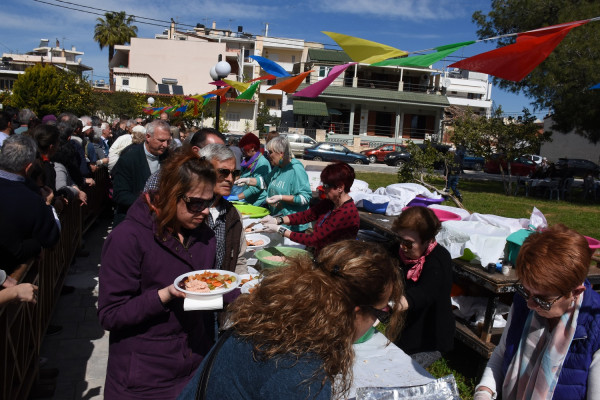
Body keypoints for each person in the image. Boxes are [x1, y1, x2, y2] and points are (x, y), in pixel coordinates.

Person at [178, 239, 404, 400]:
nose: (375, 323)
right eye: (380, 313)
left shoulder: (267, 321)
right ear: (354, 312)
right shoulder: (301, 373)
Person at [98, 149, 218, 399]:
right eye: (196, 202)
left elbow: (211, 291)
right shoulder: (127, 238)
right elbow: (111, 314)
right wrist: (165, 294)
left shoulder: (204, 236)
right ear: (171, 194)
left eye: (209, 202)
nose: (205, 211)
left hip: (194, 364)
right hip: (143, 377)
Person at [475, 224, 599, 400]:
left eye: (543, 299)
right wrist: (484, 391)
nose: (530, 304)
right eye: (526, 291)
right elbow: (502, 353)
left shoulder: (595, 328)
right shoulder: (522, 302)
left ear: (575, 293)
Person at [391, 206, 454, 367]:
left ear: (427, 240)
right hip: (407, 328)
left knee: (405, 372)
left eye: (408, 244)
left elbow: (427, 292)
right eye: (400, 240)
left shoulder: (439, 259)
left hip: (430, 336)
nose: (402, 247)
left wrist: (399, 303)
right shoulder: (402, 252)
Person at [260, 162, 360, 255]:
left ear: (340, 187)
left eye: (326, 185)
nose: (323, 189)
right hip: (322, 255)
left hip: (334, 261)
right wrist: (277, 220)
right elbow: (306, 215)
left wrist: (279, 230)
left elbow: (314, 239)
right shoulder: (330, 202)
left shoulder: (346, 212)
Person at [0, 135, 60, 277]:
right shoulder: (31, 200)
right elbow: (51, 237)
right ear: (28, 167)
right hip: (12, 278)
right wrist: (48, 205)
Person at [235, 135, 311, 232]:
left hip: (292, 227)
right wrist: (248, 180)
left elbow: (305, 198)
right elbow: (265, 181)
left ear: (281, 153)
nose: (268, 155)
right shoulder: (278, 168)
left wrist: (281, 197)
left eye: (270, 152)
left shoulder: (296, 169)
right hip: (277, 220)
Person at [112, 120, 170, 225]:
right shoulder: (128, 158)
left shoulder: (169, 157)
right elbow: (120, 195)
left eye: (168, 141)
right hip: (133, 220)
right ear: (148, 137)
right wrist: (150, 203)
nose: (165, 145)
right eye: (161, 140)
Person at [228, 132, 270, 206]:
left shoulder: (262, 163)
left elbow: (256, 188)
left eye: (243, 148)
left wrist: (237, 197)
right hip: (248, 200)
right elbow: (241, 176)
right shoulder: (248, 160)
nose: (242, 151)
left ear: (252, 148)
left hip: (258, 203)